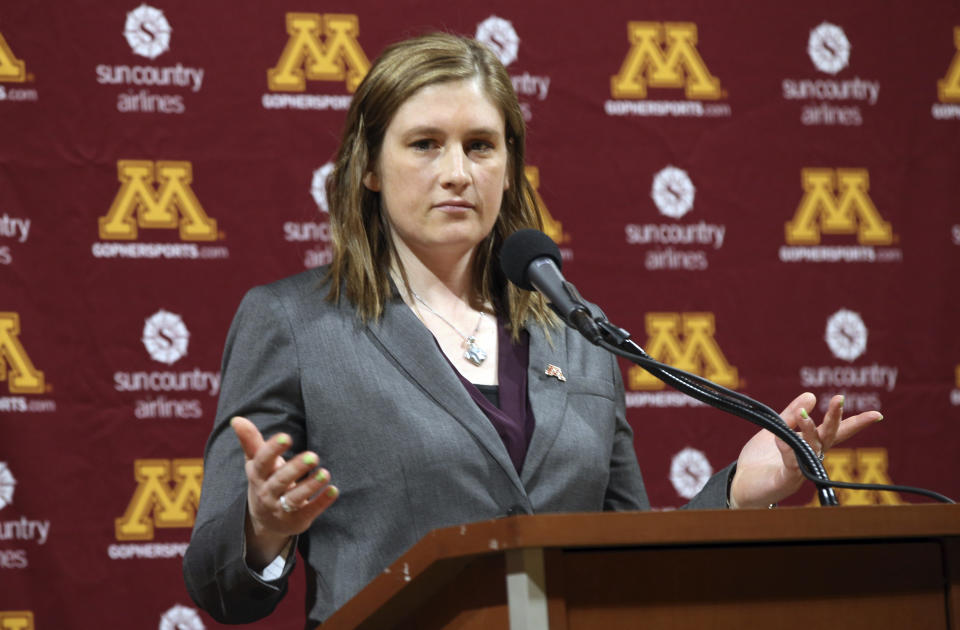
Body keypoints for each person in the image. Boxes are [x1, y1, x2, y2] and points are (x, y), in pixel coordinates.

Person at [182, 32, 881, 625]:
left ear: (509, 165)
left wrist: (735, 495)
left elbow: (620, 556)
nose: (456, 172)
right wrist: (263, 529)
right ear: (367, 166)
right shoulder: (295, 324)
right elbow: (216, 586)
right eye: (425, 143)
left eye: (480, 146)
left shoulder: (578, 333)